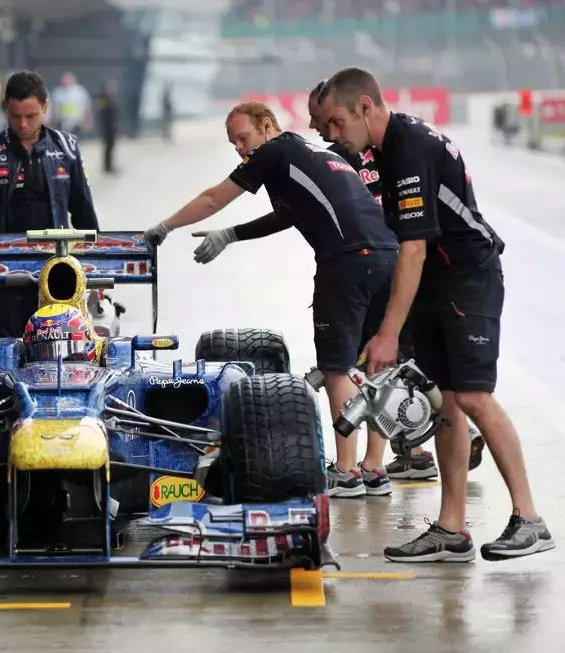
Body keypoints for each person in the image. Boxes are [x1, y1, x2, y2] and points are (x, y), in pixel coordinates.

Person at [318, 68, 555, 562]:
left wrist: (388, 333)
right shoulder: (385, 149)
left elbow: (414, 251)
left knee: (472, 396)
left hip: (468, 277)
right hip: (439, 284)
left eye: (337, 123)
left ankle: (530, 519)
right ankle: (451, 528)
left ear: (365, 106)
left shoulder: (408, 147)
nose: (334, 136)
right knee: (449, 402)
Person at [143, 101, 400, 498]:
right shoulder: (310, 154)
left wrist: (165, 226)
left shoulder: (273, 151)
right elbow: (289, 215)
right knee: (379, 364)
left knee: (337, 367)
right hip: (388, 255)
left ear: (266, 126)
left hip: (346, 263)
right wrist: (231, 235)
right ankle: (374, 468)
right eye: (232, 144)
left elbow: (215, 197)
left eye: (243, 139)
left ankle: (347, 472)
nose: (240, 149)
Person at [305, 81, 487, 480]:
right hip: (405, 260)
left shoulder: (341, 158)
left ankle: (376, 459)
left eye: (322, 118)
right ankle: (418, 447)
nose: (316, 126)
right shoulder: (385, 149)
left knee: (373, 363)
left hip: (396, 259)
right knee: (401, 359)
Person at [0, 70, 99, 338]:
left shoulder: (67, 148)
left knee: (61, 348)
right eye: (16, 117)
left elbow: (84, 212)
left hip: (58, 271)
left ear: (45, 108)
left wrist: (95, 273)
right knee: (3, 349)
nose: (24, 124)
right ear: (6, 110)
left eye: (31, 116)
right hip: (5, 274)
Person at [95, 80, 119, 175]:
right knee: (108, 147)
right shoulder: (103, 99)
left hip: (112, 127)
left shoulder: (113, 99)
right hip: (106, 127)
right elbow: (100, 108)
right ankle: (107, 166)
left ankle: (110, 165)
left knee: (112, 147)